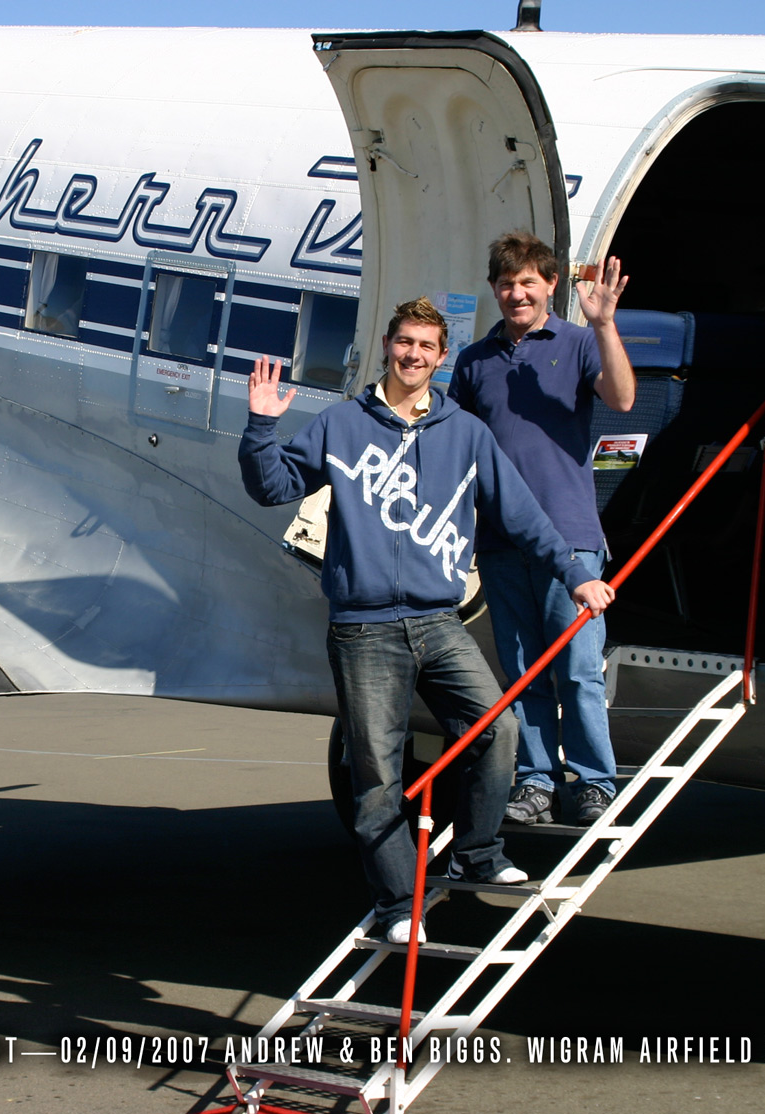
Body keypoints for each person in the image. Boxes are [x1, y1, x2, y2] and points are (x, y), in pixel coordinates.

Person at [239, 297, 614, 943]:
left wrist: (574, 572)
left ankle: (477, 852)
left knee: (495, 731)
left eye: (426, 346)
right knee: (377, 776)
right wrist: (260, 427)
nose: (413, 355)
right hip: (363, 628)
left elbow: (522, 515)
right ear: (389, 346)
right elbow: (271, 488)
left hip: (438, 621)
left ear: (442, 358)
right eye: (404, 342)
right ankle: (396, 907)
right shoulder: (340, 424)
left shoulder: (465, 433)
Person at [449, 232, 635, 827]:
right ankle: (535, 782)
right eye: (506, 283)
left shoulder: (579, 343)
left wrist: (603, 324)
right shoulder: (474, 361)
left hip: (570, 538)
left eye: (528, 282)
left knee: (577, 670)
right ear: (494, 289)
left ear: (551, 285)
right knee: (523, 671)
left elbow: (623, 399)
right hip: (501, 542)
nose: (517, 294)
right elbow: (453, 444)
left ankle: (594, 783)